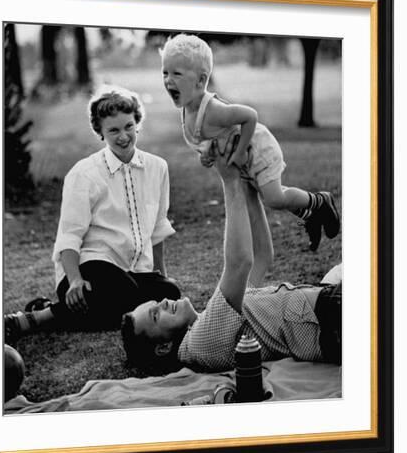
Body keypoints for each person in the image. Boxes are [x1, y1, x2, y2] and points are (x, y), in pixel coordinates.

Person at [121, 139, 341, 374]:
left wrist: (247, 187)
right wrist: (230, 180)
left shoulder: (215, 318)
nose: (163, 302)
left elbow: (261, 256)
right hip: (332, 317)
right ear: (163, 348)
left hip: (328, 304)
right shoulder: (200, 343)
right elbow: (240, 264)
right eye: (156, 314)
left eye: (156, 303)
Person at [5, 85, 180, 344]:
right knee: (122, 291)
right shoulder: (84, 173)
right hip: (90, 270)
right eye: (113, 130)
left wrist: (160, 275)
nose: (123, 136)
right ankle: (35, 319)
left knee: (170, 293)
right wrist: (74, 280)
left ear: (137, 123)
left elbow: (158, 228)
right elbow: (69, 236)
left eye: (128, 127)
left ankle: (49, 310)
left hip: (131, 273)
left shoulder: (157, 168)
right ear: (100, 132)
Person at [160, 33, 340, 251]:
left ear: (200, 80)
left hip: (259, 149)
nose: (168, 79)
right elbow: (210, 140)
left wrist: (239, 152)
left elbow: (250, 116)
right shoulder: (188, 110)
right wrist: (206, 155)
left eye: (176, 74)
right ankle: (309, 215)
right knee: (270, 195)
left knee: (274, 198)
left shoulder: (215, 111)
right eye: (165, 73)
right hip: (245, 160)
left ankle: (319, 201)